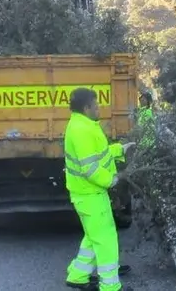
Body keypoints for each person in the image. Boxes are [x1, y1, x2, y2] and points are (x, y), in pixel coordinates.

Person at [64, 87, 134, 291]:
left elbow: (98, 154)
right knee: (106, 240)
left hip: (87, 194)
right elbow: (90, 168)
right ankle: (110, 287)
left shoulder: (83, 125)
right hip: (90, 194)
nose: (99, 108)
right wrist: (112, 180)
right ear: (86, 108)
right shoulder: (81, 130)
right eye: (96, 105)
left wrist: (120, 149)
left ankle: (77, 276)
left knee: (93, 237)